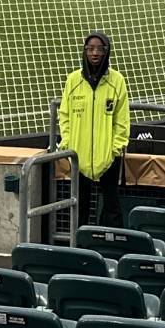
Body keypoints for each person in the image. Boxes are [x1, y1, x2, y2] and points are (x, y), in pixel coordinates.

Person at [58, 31, 131, 227]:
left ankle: (110, 248)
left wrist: (115, 150)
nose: (95, 53)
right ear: (84, 52)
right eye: (90, 49)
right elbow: (64, 115)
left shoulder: (117, 81)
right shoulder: (73, 80)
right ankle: (79, 247)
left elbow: (122, 119)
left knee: (111, 206)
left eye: (100, 49)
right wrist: (67, 144)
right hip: (78, 157)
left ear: (107, 52)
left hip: (108, 157)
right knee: (79, 205)